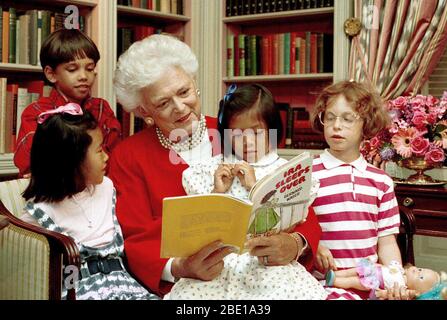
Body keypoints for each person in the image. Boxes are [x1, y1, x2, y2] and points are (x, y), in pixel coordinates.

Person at [109, 34, 323, 297]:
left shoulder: (235, 130)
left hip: (260, 275)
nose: (180, 107)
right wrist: (179, 267)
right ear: (143, 111)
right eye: (163, 103)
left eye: (184, 92)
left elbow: (288, 193)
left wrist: (295, 243)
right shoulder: (128, 156)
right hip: (198, 285)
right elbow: (135, 237)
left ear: (194, 83)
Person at [165, 84, 327, 300]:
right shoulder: (209, 171)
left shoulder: (284, 171)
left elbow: (290, 222)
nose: (248, 141)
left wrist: (255, 186)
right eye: (237, 134)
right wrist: (217, 191)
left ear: (272, 129)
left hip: (264, 263)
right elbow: (199, 228)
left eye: (257, 132)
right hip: (220, 266)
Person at [19, 103, 158, 300]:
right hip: (79, 293)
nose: (107, 157)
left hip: (128, 289)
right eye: (99, 150)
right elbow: (31, 274)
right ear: (71, 161)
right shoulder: (40, 213)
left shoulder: (107, 188)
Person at [309, 80, 403, 300]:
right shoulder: (307, 173)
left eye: (348, 118)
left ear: (366, 125)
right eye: (329, 117)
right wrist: (315, 242)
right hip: (320, 284)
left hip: (368, 285)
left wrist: (396, 280)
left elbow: (387, 243)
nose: (336, 125)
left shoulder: (380, 181)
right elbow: (295, 228)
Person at [14, 28, 121, 177]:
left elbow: (114, 159)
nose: (84, 76)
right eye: (72, 69)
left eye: (89, 68)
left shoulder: (102, 109)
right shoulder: (37, 113)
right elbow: (31, 165)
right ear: (51, 74)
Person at [325, 259, 447, 300]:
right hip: (373, 269)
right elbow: (388, 266)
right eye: (420, 269)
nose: (417, 271)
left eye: (420, 277)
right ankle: (336, 274)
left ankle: (334, 281)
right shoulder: (400, 269)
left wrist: (379, 293)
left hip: (373, 282)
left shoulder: (400, 289)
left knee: (353, 281)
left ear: (416, 292)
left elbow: (385, 293)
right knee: (353, 271)